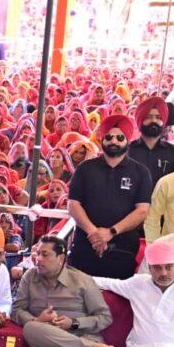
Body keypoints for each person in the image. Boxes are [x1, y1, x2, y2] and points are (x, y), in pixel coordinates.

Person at [67, 114, 152, 279]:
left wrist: (111, 232)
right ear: (102, 138)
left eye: (120, 137)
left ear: (127, 140)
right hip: (86, 245)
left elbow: (142, 211)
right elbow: (73, 204)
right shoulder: (85, 168)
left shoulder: (141, 172)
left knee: (116, 295)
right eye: (109, 137)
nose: (114, 141)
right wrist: (94, 234)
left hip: (122, 249)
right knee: (78, 292)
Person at [128, 96, 174, 191]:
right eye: (148, 117)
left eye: (158, 117)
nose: (154, 120)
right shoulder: (127, 151)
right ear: (140, 120)